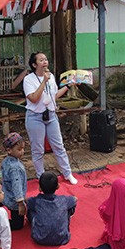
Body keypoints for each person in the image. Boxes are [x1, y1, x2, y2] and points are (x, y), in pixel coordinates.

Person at [23, 52, 78, 185]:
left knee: (59, 146)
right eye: (41, 60)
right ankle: (41, 177)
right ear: (34, 64)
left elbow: (54, 96)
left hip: (51, 115)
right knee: (38, 150)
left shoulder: (51, 77)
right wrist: (44, 81)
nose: (45, 62)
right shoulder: (28, 79)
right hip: (35, 117)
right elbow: (34, 99)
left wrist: (68, 86)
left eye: (46, 59)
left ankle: (67, 173)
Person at [27, 171, 78, 246]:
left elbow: (27, 201)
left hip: (39, 238)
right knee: (69, 207)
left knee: (31, 209)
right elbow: (75, 199)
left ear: (40, 188)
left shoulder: (36, 201)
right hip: (62, 238)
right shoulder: (63, 200)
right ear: (58, 186)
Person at [0, 132, 28, 231]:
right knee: (18, 224)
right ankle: (1, 225)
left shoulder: (5, 161)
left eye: (23, 148)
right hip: (14, 200)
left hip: (5, 194)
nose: (22, 151)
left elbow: (1, 175)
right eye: (19, 149)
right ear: (9, 150)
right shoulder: (15, 168)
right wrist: (20, 203)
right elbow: (17, 186)